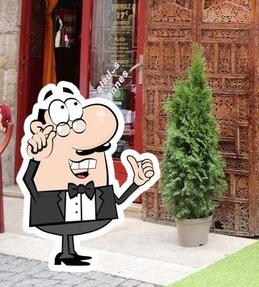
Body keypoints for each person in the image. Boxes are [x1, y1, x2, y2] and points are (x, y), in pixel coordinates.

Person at [17, 81, 158, 268]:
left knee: (72, 226)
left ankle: (69, 252)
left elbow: (114, 203)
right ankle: (67, 252)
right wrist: (40, 199)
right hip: (55, 201)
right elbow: (28, 178)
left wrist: (136, 182)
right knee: (65, 225)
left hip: (84, 204)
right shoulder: (47, 151)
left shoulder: (96, 182)